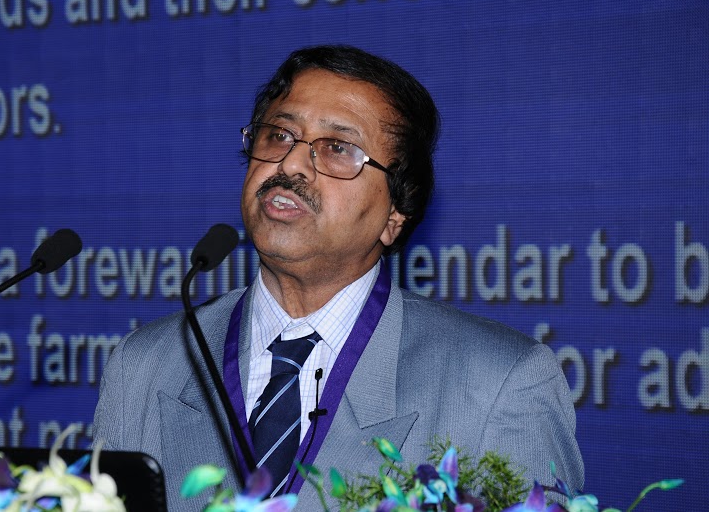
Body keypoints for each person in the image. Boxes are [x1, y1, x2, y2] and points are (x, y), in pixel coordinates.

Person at [93, 45, 583, 511]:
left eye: (337, 148)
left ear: (395, 215)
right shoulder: (145, 365)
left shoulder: (503, 383)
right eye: (277, 135)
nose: (290, 163)